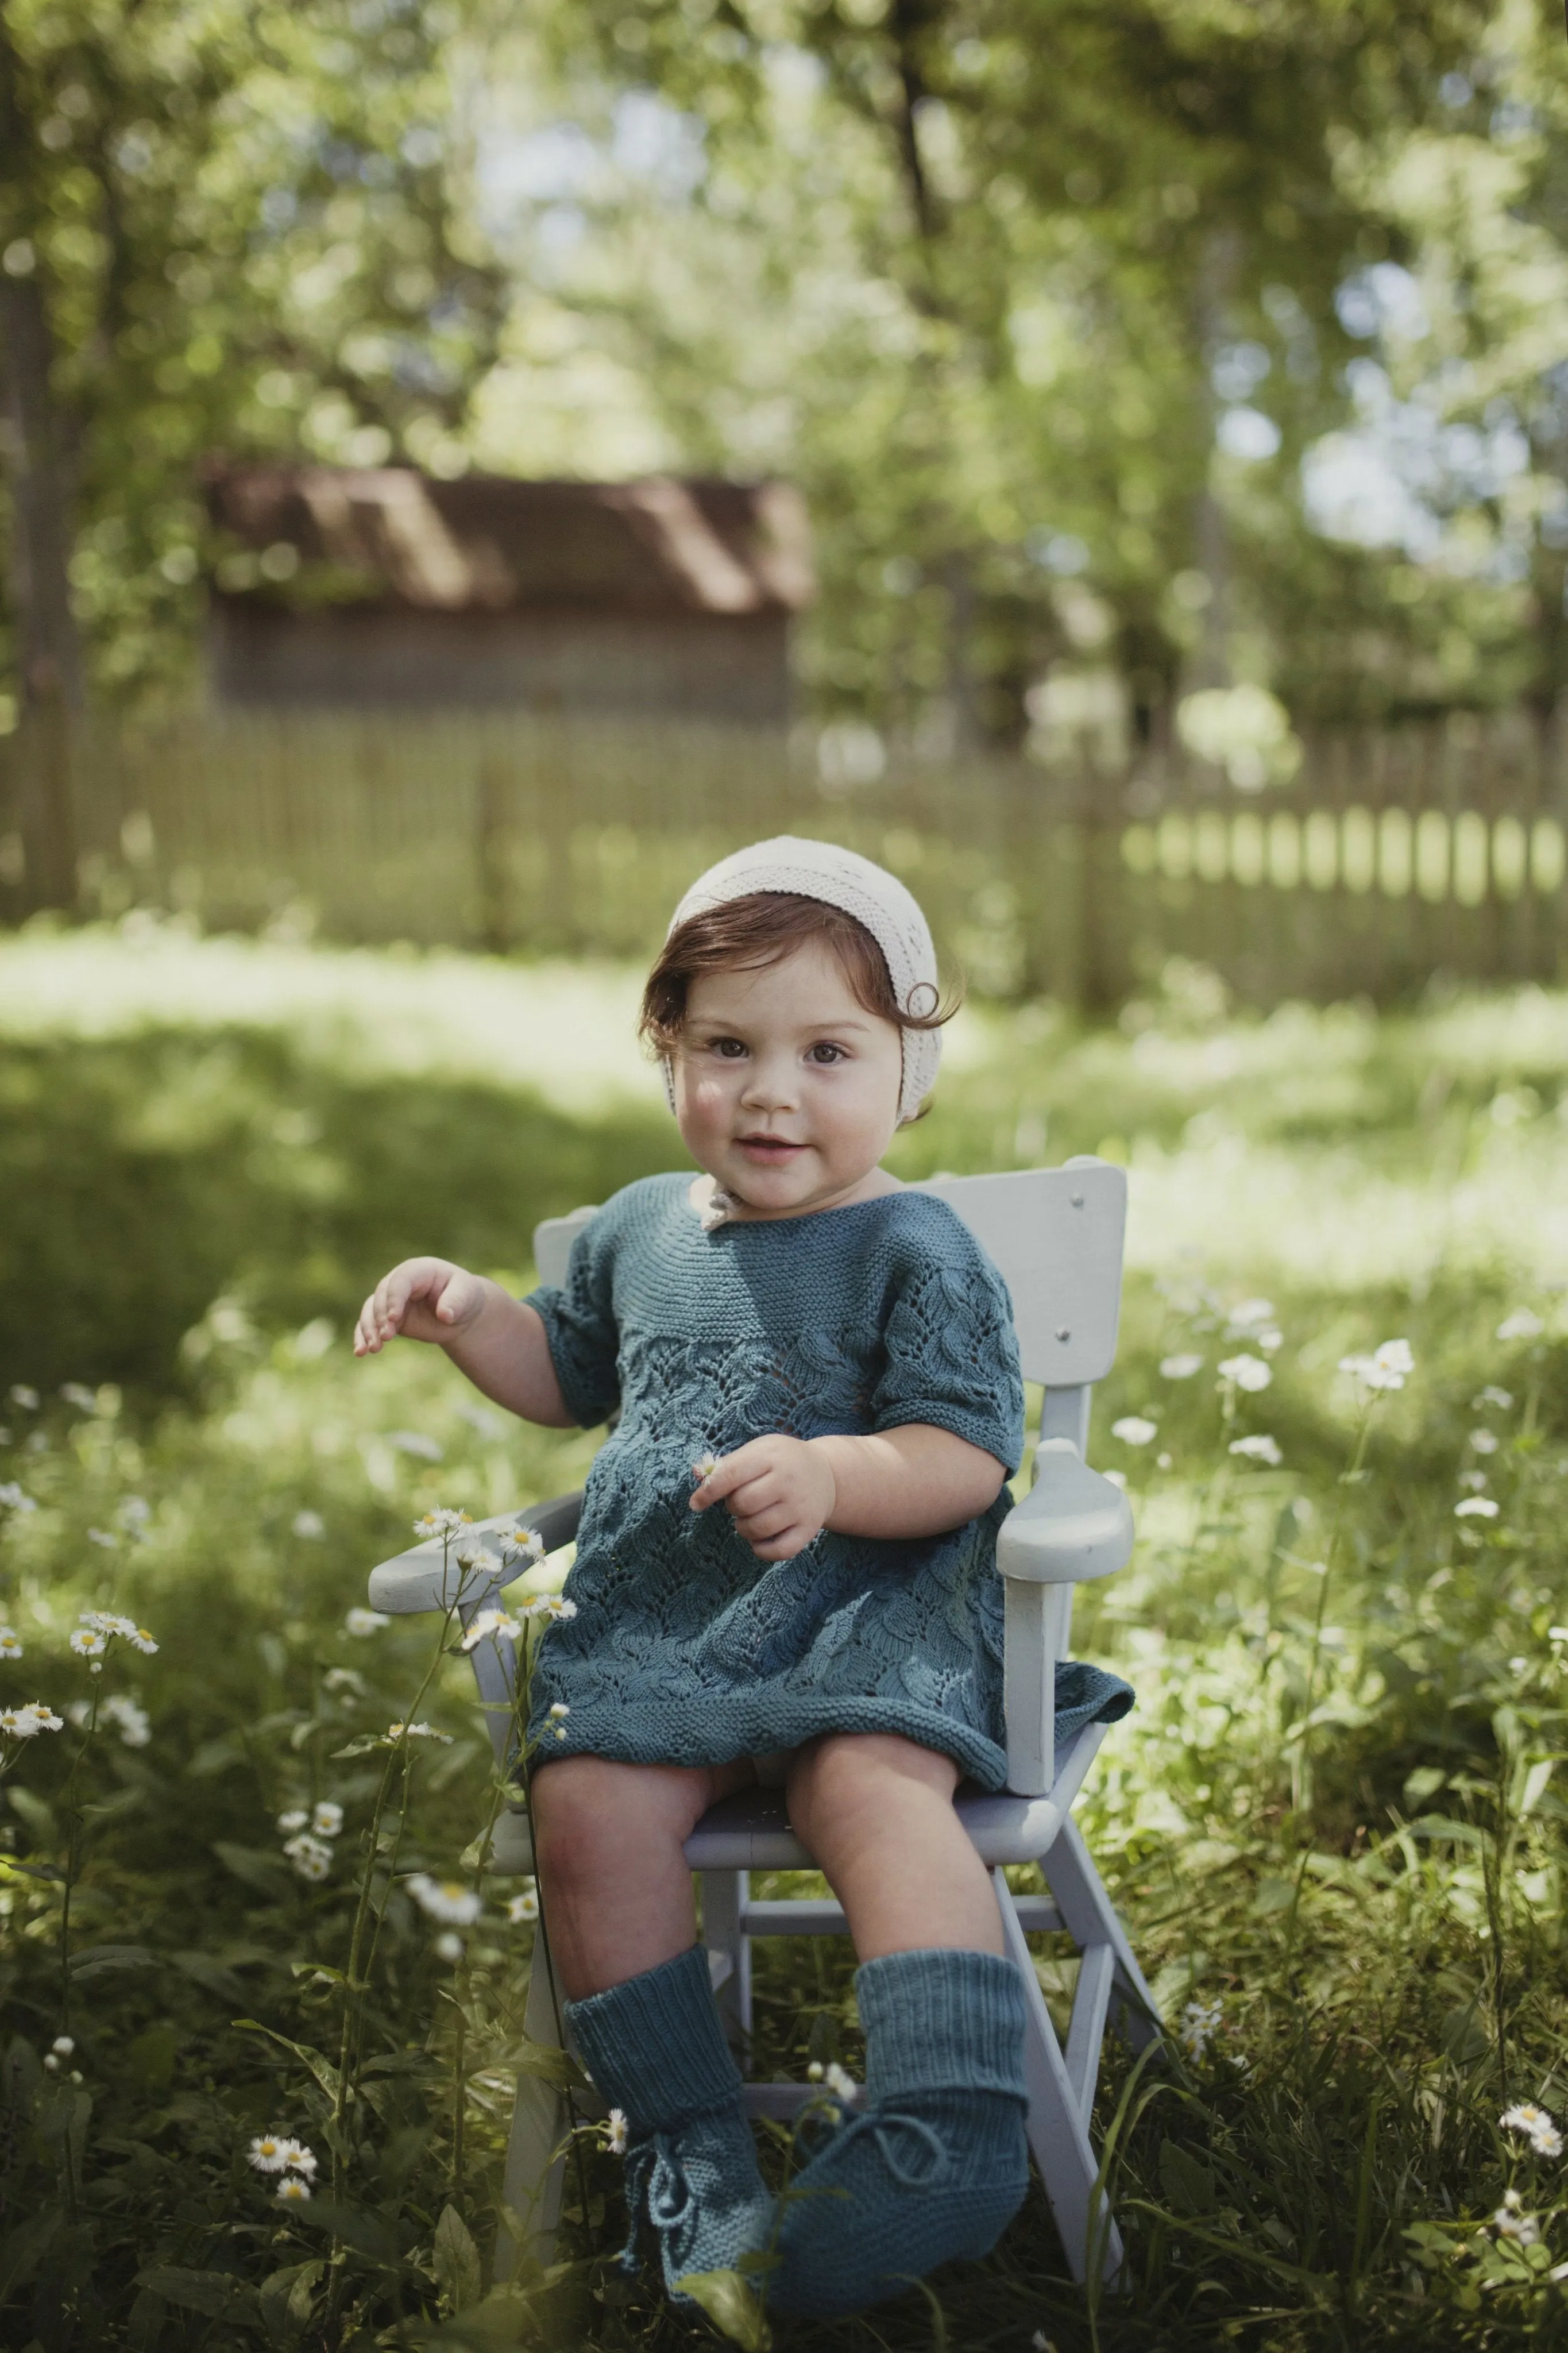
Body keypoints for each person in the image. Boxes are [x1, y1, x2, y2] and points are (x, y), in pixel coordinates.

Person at [353, 838, 1131, 2318]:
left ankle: (948, 2114)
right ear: (669, 1058)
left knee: (871, 1790)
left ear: (910, 1074)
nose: (772, 1090)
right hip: (662, 1631)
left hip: (871, 1624)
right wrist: (470, 1316)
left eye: (828, 1050)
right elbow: (570, 1372)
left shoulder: (918, 1243)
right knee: (583, 1804)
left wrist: (839, 1475)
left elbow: (966, 1452)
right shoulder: (644, 1225)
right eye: (727, 1046)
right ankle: (696, 2158)